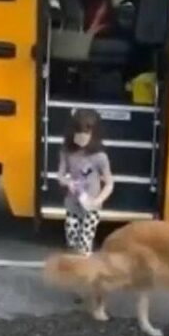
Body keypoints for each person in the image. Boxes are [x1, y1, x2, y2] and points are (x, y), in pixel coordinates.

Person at [57, 109, 115, 254]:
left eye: (86, 134)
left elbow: (109, 183)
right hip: (73, 203)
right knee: (71, 238)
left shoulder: (100, 157)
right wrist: (68, 183)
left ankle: (83, 266)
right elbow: (60, 176)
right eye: (79, 133)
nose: (82, 138)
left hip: (91, 206)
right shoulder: (66, 152)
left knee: (85, 243)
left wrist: (98, 200)